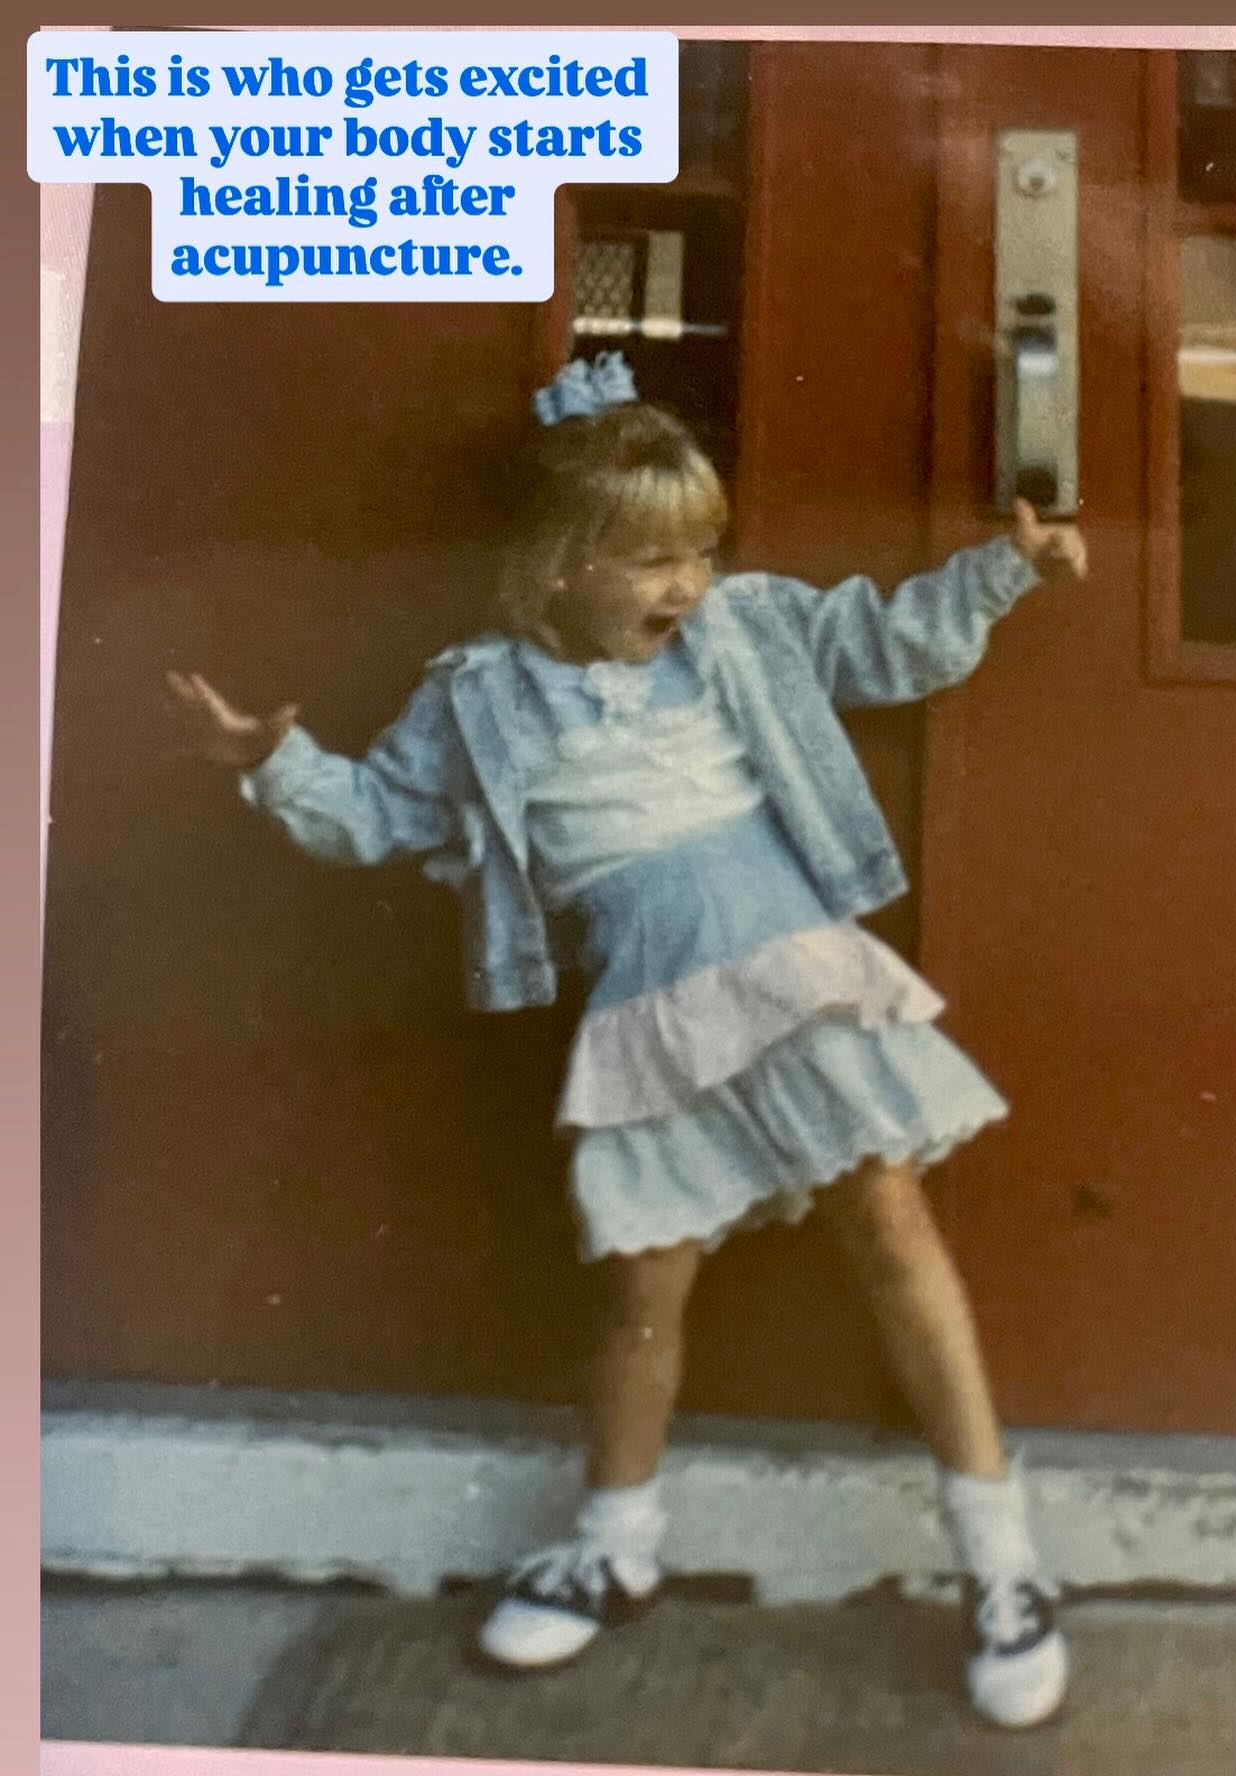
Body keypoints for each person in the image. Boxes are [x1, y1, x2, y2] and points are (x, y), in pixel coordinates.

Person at [165, 352, 1088, 1731]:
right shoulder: (478, 698)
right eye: (651, 560)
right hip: (648, 1019)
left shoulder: (744, 633)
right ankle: (615, 1545)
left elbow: (885, 641)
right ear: (555, 566)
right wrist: (268, 761)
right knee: (641, 1289)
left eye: (699, 552)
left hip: (792, 974)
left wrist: (1004, 571)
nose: (686, 586)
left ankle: (1002, 1562)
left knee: (892, 1225)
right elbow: (376, 816)